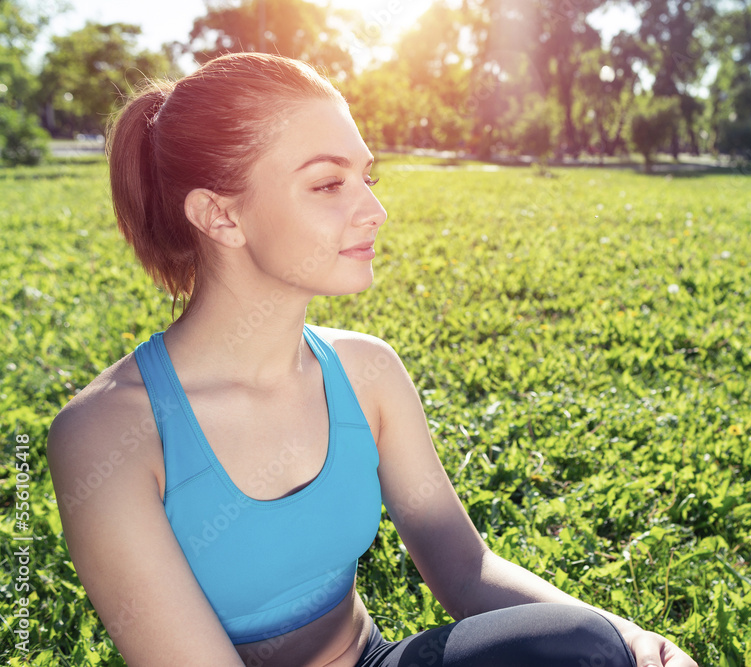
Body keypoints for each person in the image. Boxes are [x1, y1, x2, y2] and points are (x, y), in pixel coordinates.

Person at [46, 52, 697, 667]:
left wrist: (632, 640)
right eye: (328, 183)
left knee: (589, 644)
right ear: (220, 215)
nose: (375, 210)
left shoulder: (366, 372)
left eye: (367, 177)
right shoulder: (108, 435)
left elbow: (466, 570)